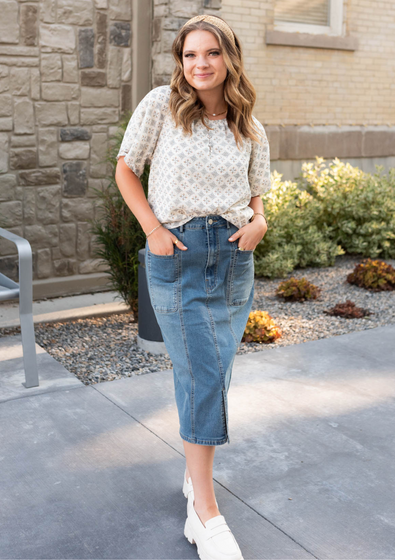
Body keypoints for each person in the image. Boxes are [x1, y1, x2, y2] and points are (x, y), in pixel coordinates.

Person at [115, 13, 271, 560]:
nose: (199, 64)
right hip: (178, 256)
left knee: (215, 372)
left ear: (229, 56)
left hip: (232, 261)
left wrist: (259, 222)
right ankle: (204, 512)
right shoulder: (161, 105)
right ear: (180, 62)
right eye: (189, 55)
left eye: (210, 53)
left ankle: (193, 478)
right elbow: (125, 169)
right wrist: (152, 229)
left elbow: (258, 194)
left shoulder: (248, 123)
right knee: (204, 372)